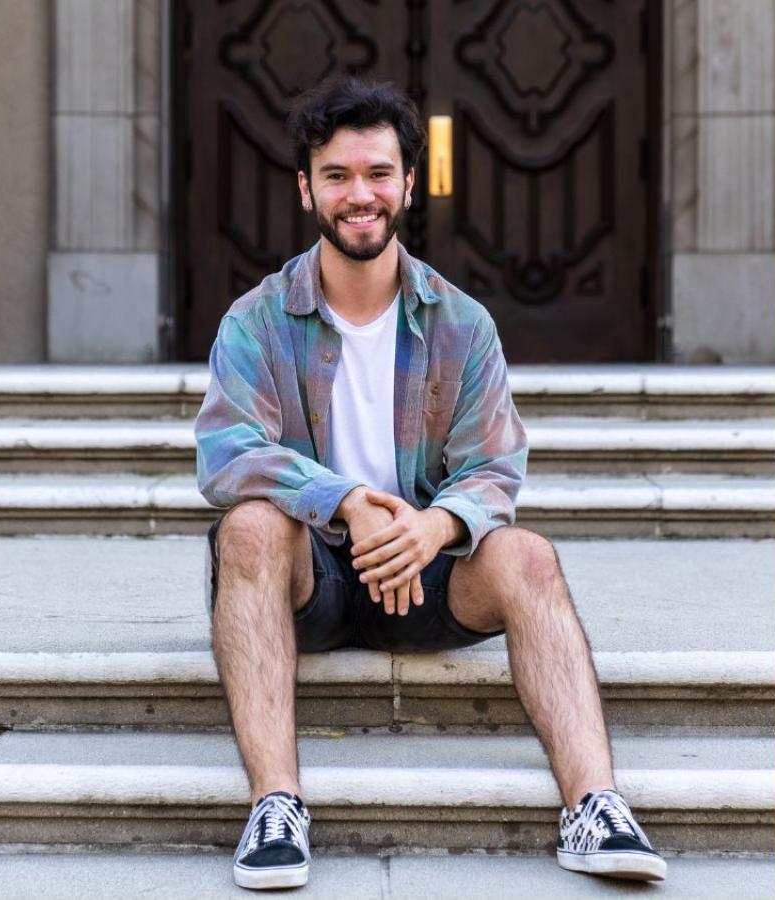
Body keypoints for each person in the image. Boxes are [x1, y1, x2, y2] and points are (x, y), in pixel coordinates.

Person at [194, 75, 666, 890]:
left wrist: (434, 526)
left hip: (426, 577)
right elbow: (229, 450)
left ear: (409, 185)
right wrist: (341, 500)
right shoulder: (257, 320)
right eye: (337, 176)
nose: (360, 195)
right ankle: (277, 806)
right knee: (250, 527)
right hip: (311, 579)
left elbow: (494, 468)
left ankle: (595, 805)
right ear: (306, 189)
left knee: (528, 557)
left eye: (378, 173)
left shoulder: (461, 323)